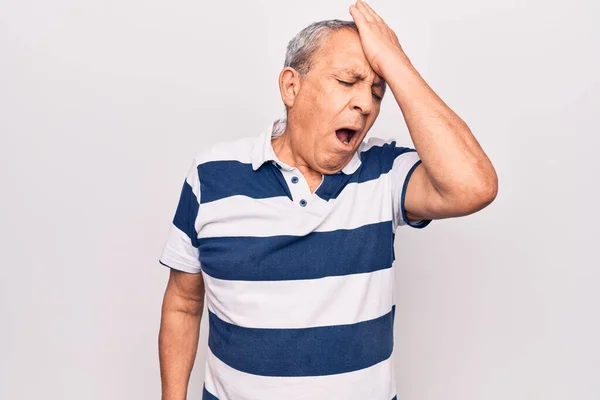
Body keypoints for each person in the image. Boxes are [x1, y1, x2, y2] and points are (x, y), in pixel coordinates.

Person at [157, 1, 498, 399]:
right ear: (291, 86)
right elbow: (182, 302)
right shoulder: (212, 176)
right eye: (348, 81)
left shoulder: (384, 173)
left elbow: (473, 186)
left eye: (376, 90)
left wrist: (396, 63)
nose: (366, 103)